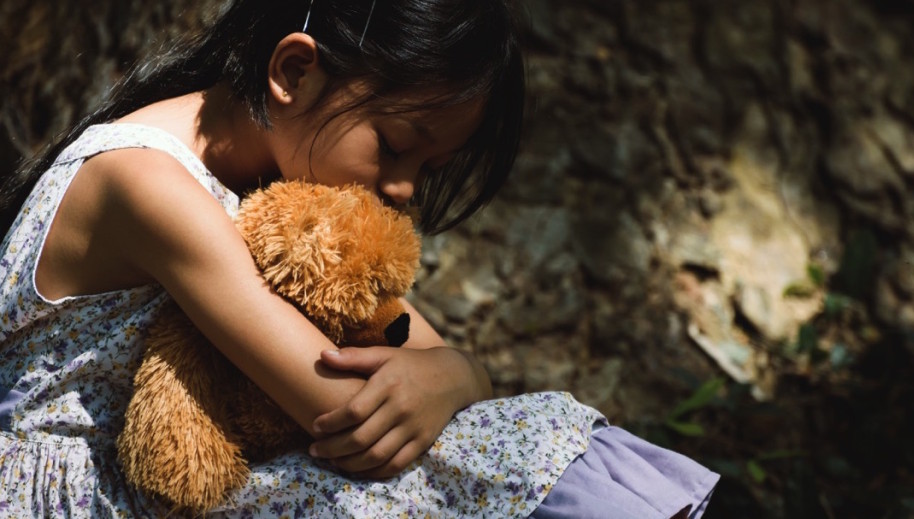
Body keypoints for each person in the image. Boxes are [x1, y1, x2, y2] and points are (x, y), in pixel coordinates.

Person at [0, 0, 719, 517]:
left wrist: (463, 371)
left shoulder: (281, 179)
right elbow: (342, 407)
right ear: (293, 71)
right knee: (467, 468)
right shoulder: (145, 184)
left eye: (428, 169)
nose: (403, 190)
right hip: (84, 494)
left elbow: (426, 354)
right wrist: (453, 376)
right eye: (396, 146)